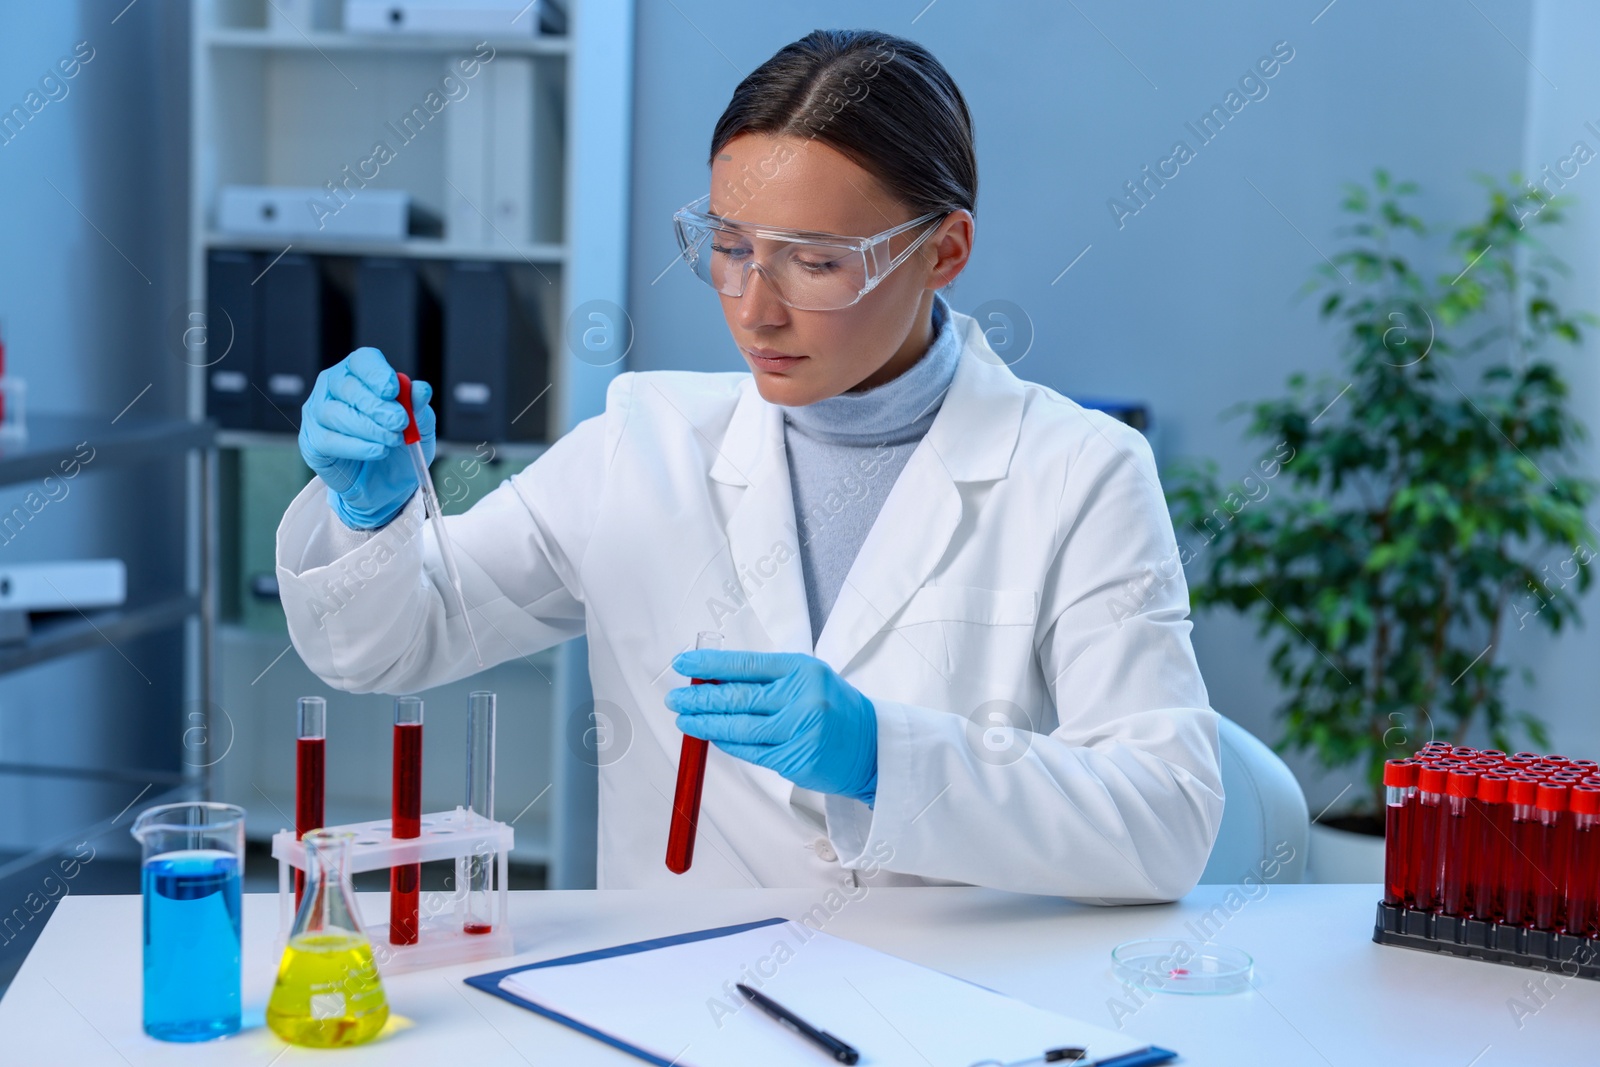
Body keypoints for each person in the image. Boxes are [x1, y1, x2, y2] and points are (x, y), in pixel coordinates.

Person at [276, 29, 1223, 901]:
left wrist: (883, 756)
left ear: (945, 251)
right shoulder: (639, 444)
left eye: (813, 264)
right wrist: (368, 518)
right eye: (730, 248)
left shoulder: (1080, 473)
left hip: (946, 1013)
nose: (753, 310)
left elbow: (1167, 819)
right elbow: (393, 643)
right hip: (674, 1000)